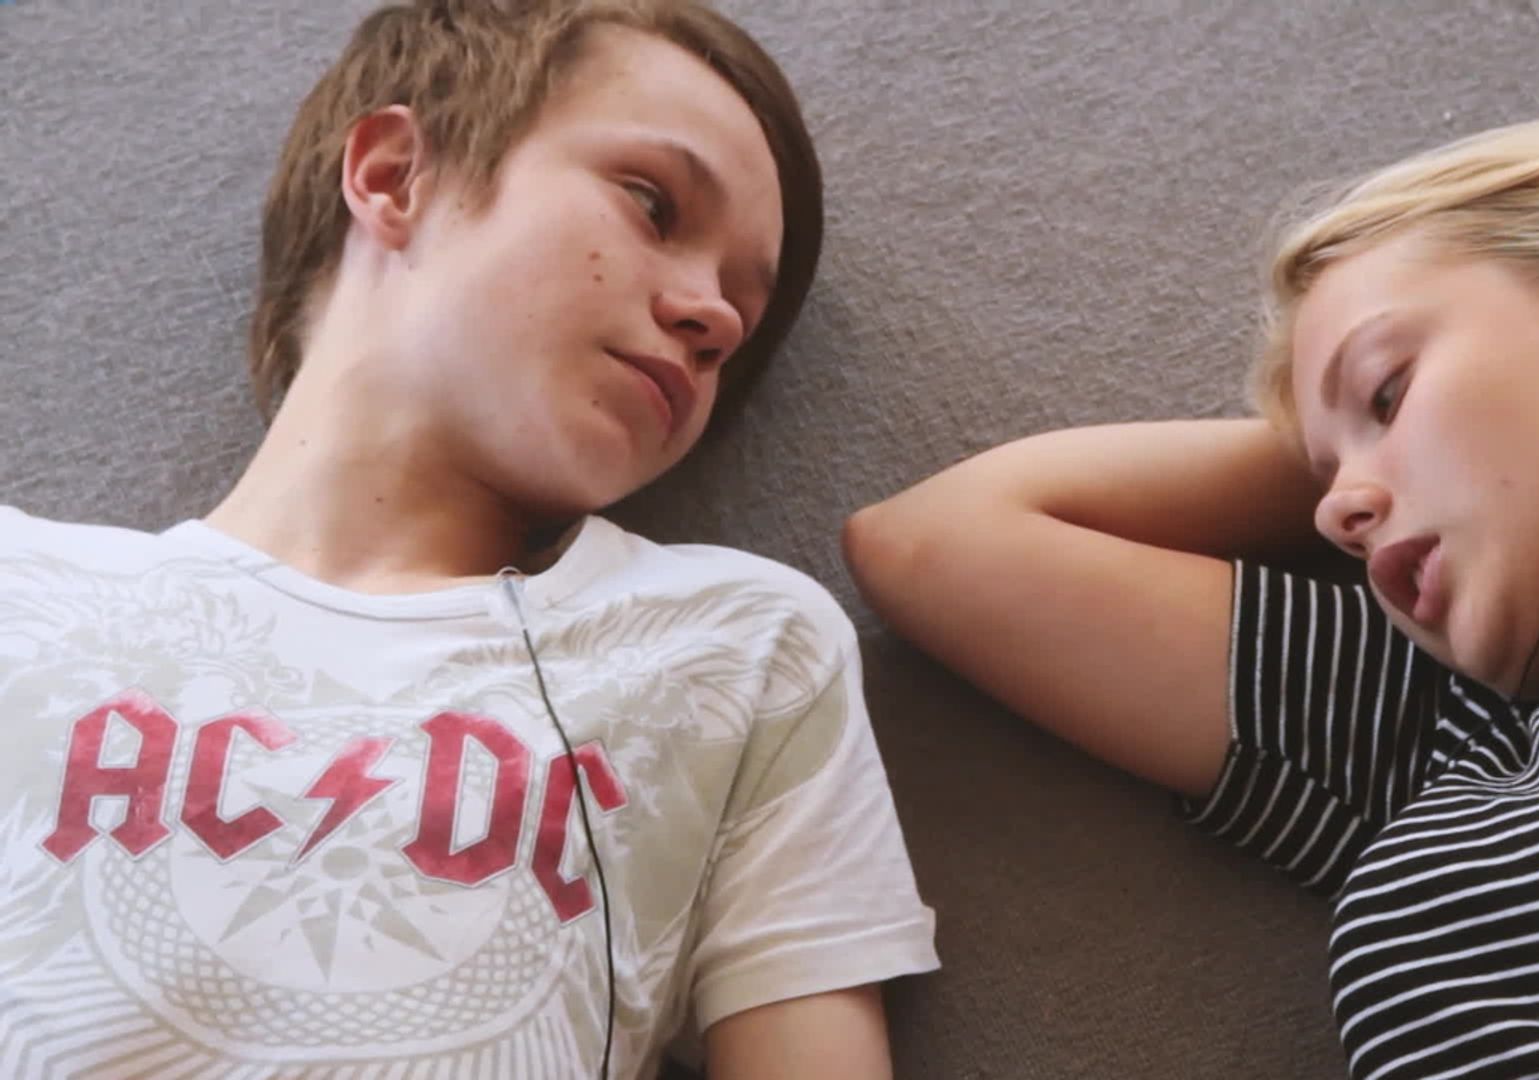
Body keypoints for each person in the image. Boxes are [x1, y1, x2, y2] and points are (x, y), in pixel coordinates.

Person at [845, 114, 1539, 1079]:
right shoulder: (1456, 743)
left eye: (1390, 390)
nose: (1332, 517)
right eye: (1321, 482)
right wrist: (1358, 445)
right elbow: (937, 542)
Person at [0, 2, 937, 1077]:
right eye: (652, 202)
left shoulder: (738, 647)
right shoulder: (23, 589)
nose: (714, 318)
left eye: (741, 312)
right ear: (395, 176)